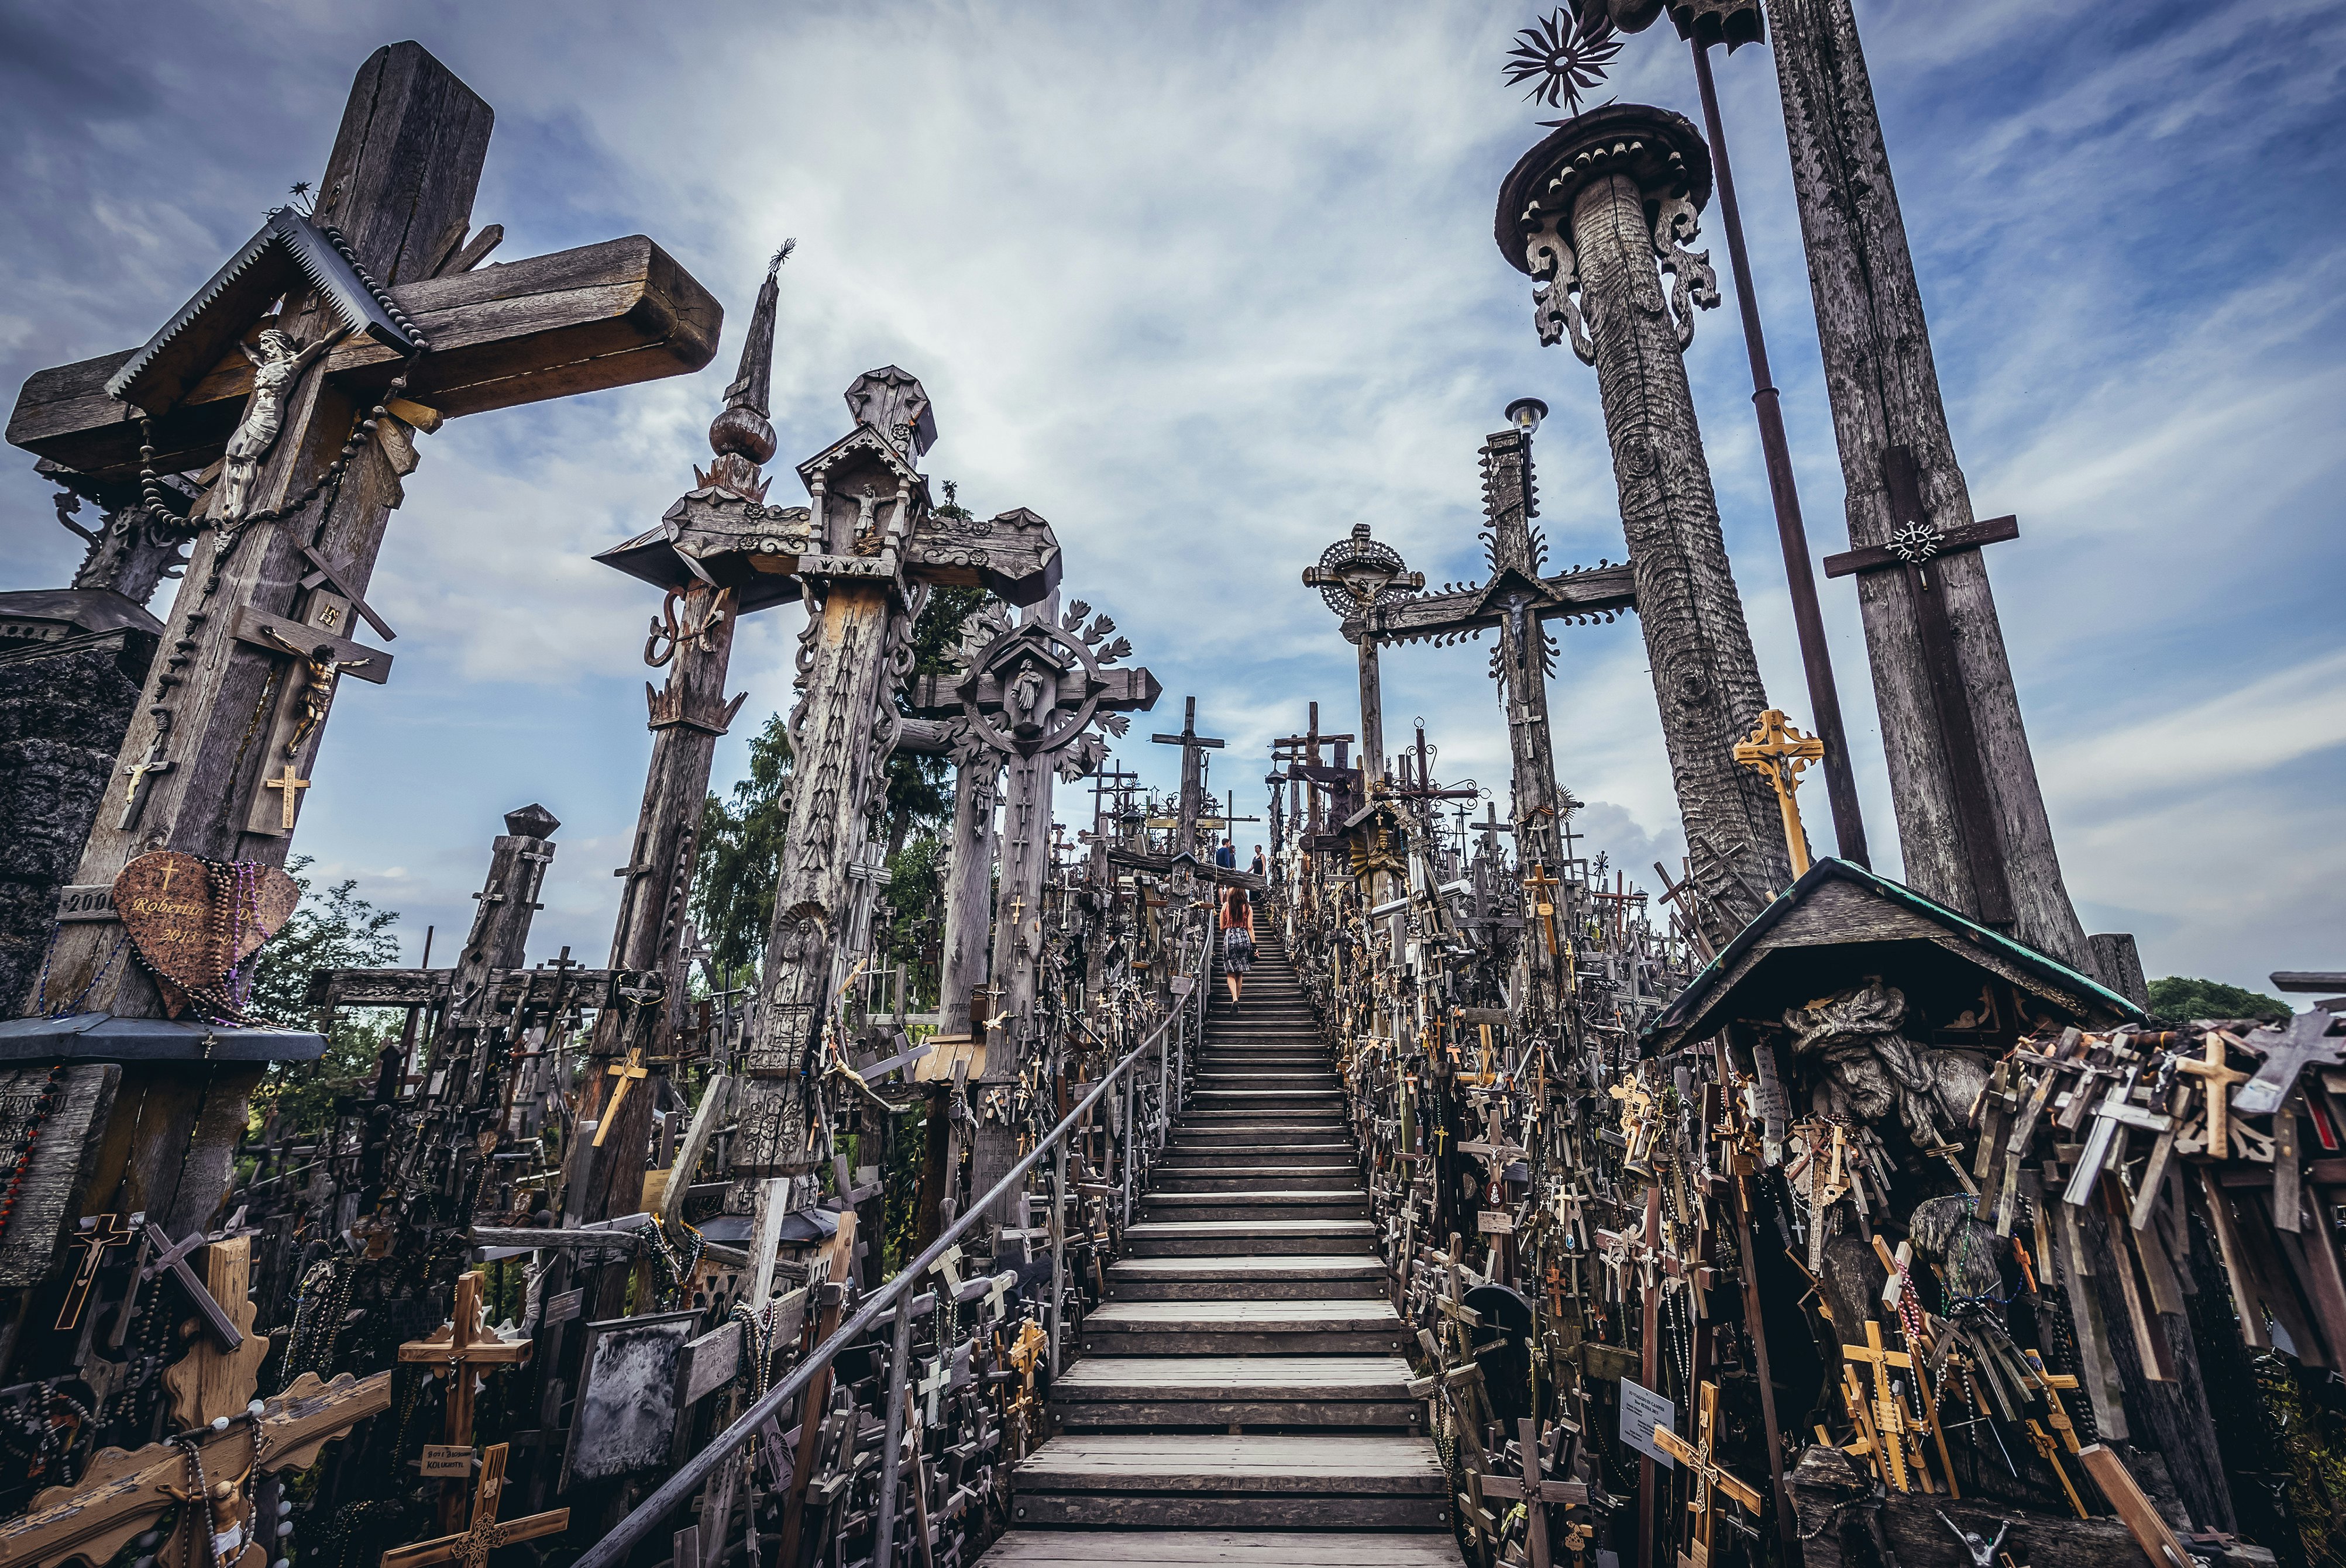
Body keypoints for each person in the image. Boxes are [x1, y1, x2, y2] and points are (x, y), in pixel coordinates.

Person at [1218, 883, 1254, 1008]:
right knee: (1240, 973)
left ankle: (1234, 999)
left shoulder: (1225, 907)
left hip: (1230, 938)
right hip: (1244, 939)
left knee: (1230, 973)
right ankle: (1237, 999)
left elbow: (1222, 927)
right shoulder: (1248, 908)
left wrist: (1228, 933)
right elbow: (1250, 927)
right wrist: (1254, 946)